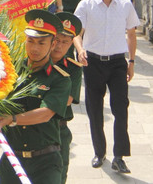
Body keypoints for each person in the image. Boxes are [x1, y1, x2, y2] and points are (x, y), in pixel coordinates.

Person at [73, 0, 139, 174]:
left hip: (118, 62)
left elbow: (131, 34)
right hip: (92, 62)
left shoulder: (125, 4)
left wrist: (132, 61)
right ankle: (99, 152)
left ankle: (119, 156)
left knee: (121, 108)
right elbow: (76, 32)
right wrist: (80, 49)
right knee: (95, 109)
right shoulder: (86, 5)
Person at [0, 9, 70, 184]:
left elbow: (46, 113)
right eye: (31, 41)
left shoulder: (60, 79)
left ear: (53, 44)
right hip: (12, 158)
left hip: (46, 163)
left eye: (41, 43)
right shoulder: (8, 72)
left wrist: (12, 119)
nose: (34, 48)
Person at [51, 12, 84, 184]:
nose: (59, 46)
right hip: (33, 130)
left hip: (58, 129)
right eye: (56, 40)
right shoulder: (35, 62)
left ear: (71, 43)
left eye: (65, 42)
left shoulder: (73, 69)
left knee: (59, 175)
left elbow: (66, 101)